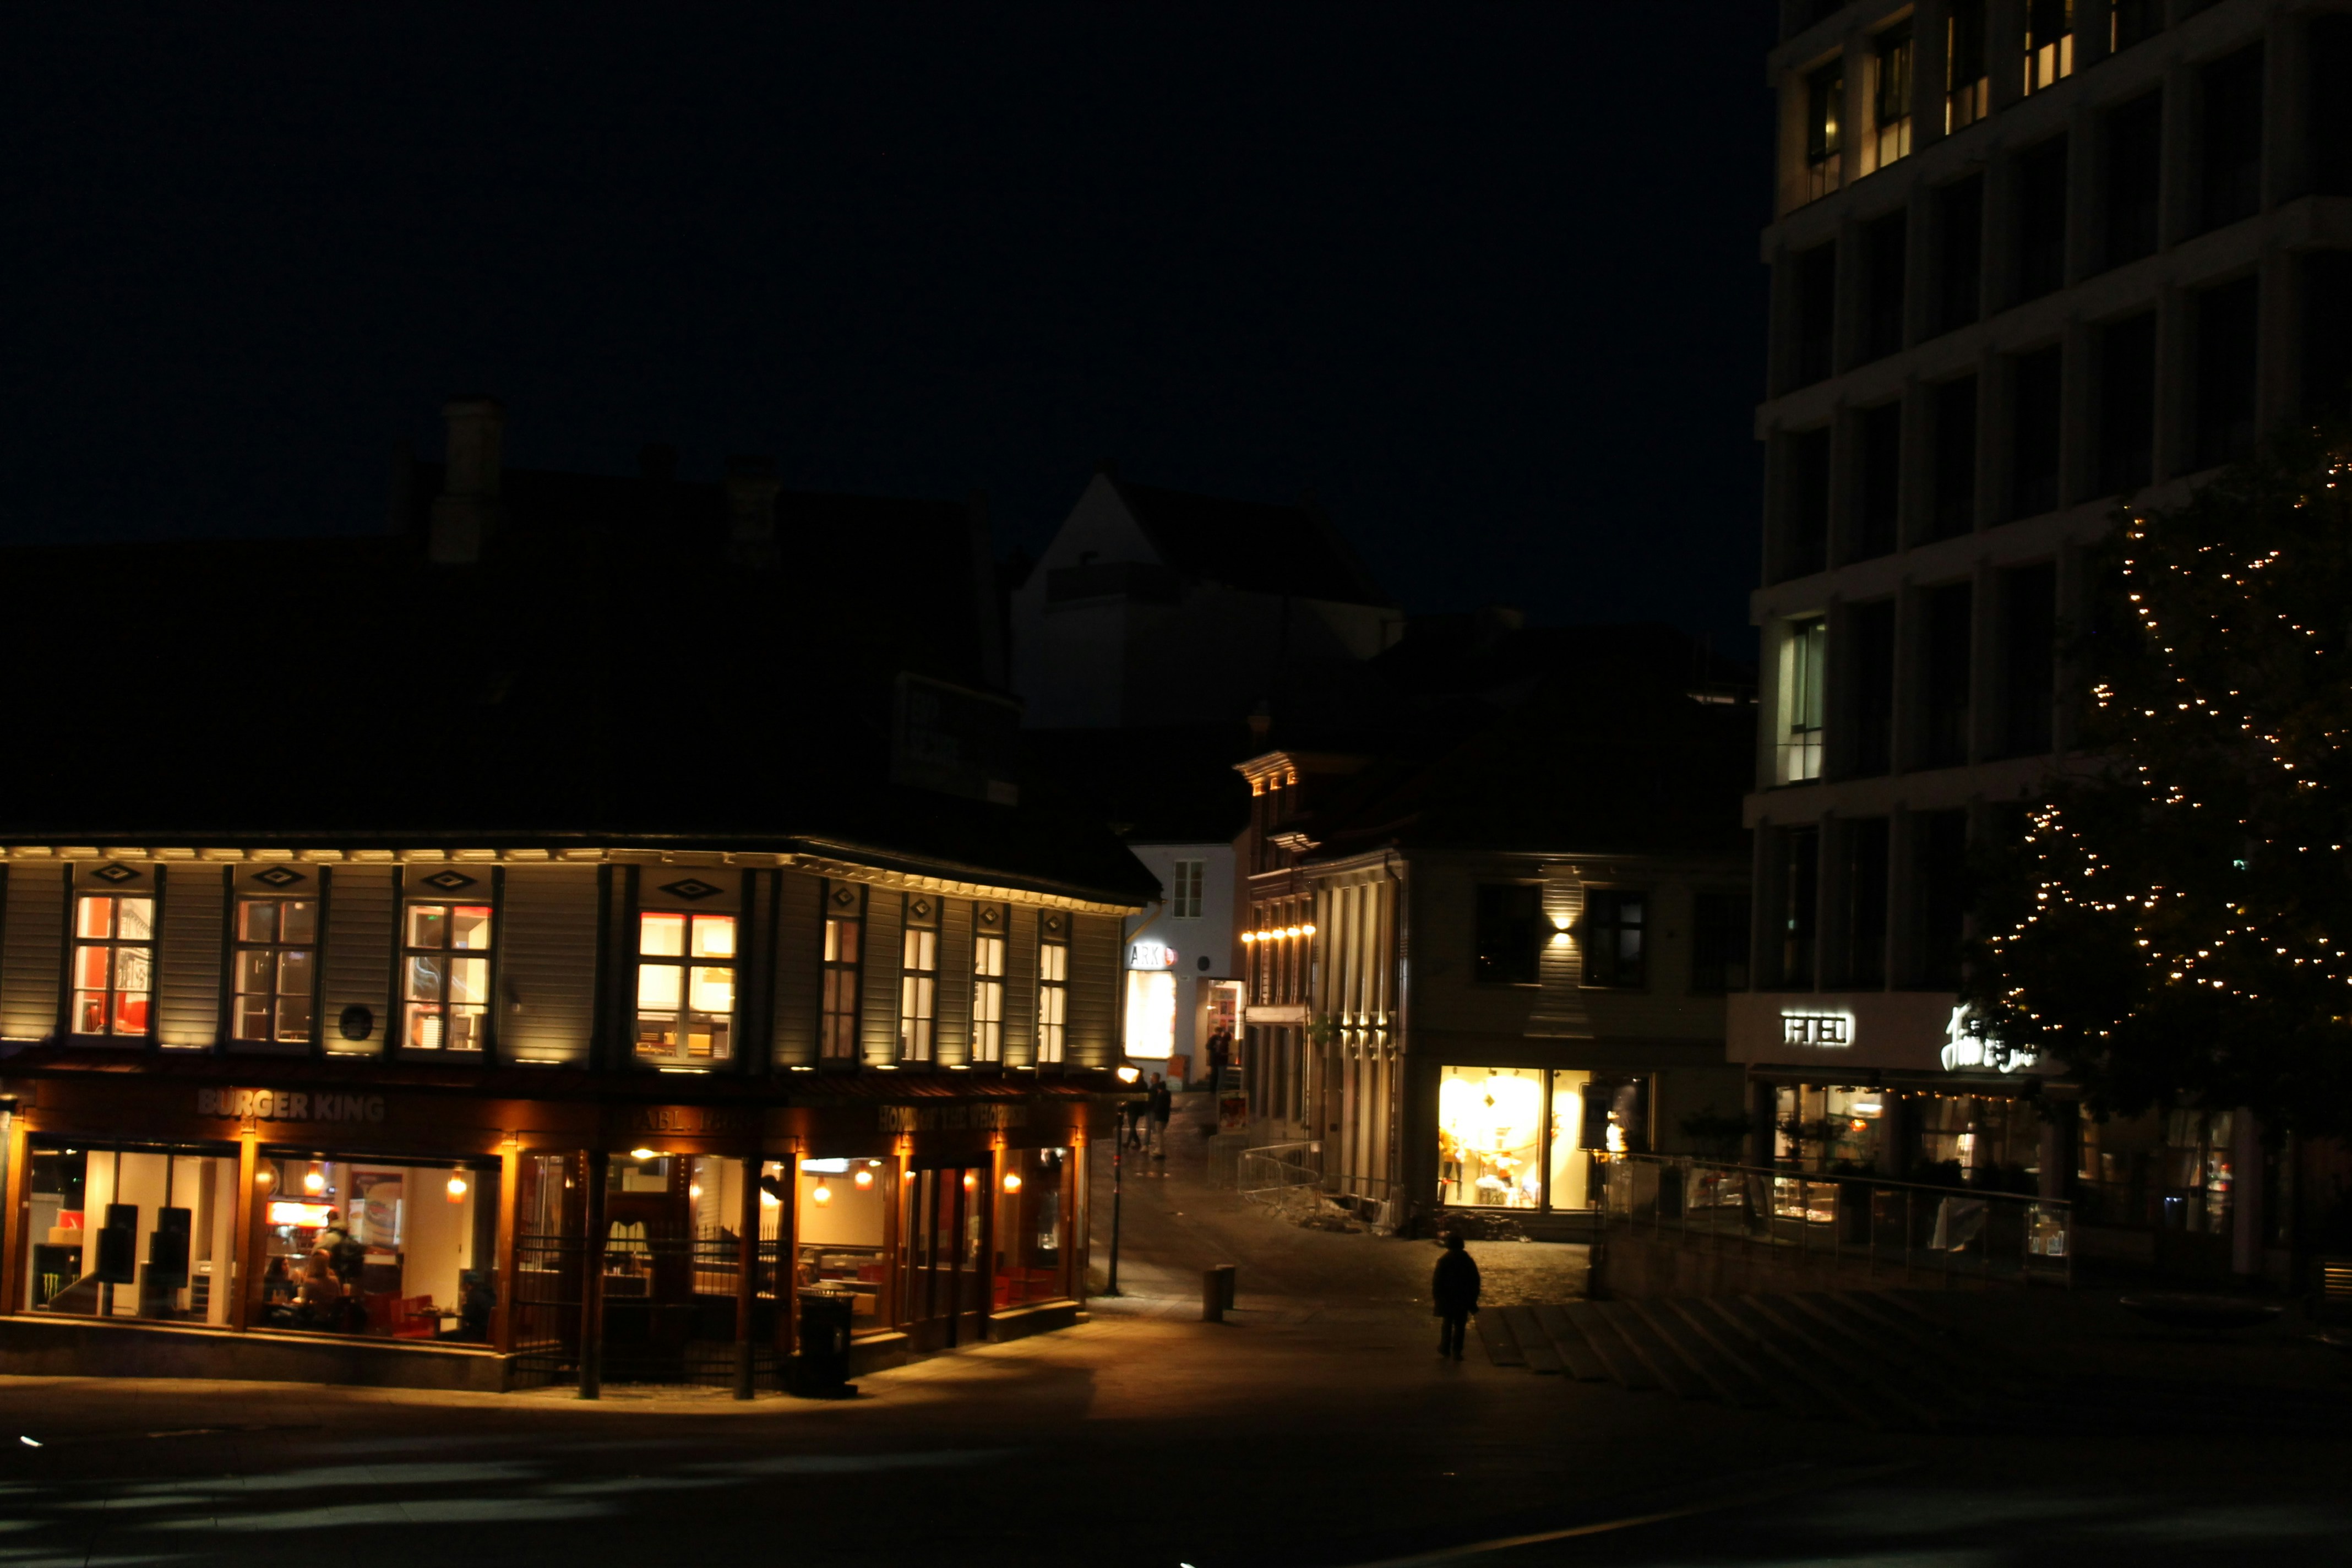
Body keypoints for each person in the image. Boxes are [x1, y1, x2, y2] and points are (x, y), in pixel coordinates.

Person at [1431, 1232, 1481, 1361]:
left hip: (1448, 1298)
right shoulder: (1467, 1261)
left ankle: (1445, 1348)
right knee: (1460, 1325)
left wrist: (1437, 1297)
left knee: (1447, 1323)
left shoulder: (1444, 1260)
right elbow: (1475, 1280)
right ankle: (1457, 1351)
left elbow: (1438, 1281)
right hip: (1462, 1298)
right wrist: (1473, 1298)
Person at [1147, 1072, 1172, 1160]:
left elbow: (1158, 1107)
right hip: (1165, 1117)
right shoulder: (1167, 1095)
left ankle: (1160, 1150)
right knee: (1160, 1134)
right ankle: (1159, 1149)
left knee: (1159, 1134)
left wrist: (1154, 1110)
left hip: (1160, 1117)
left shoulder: (1161, 1096)